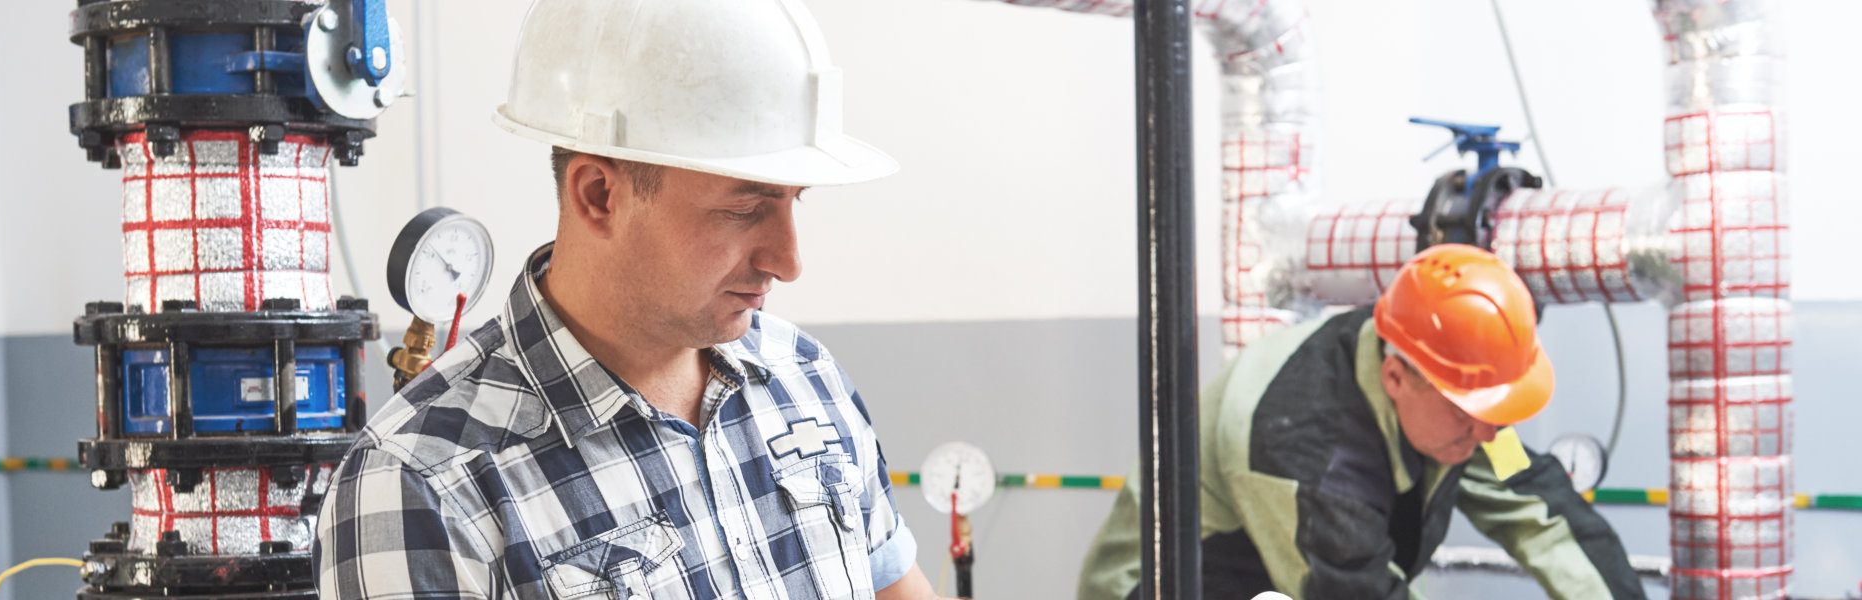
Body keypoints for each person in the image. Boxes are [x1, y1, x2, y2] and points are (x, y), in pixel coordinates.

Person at [314, 0, 950, 598]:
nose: (788, 260)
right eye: (744, 209)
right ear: (599, 196)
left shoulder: (807, 380)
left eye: (793, 202)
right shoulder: (420, 485)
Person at [1077, 244, 1647, 600]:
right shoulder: (1305, 450)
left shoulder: (1466, 408)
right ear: (1396, 377)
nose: (1488, 437)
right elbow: (1354, 593)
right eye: (1469, 416)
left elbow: (1541, 507)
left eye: (1496, 416)